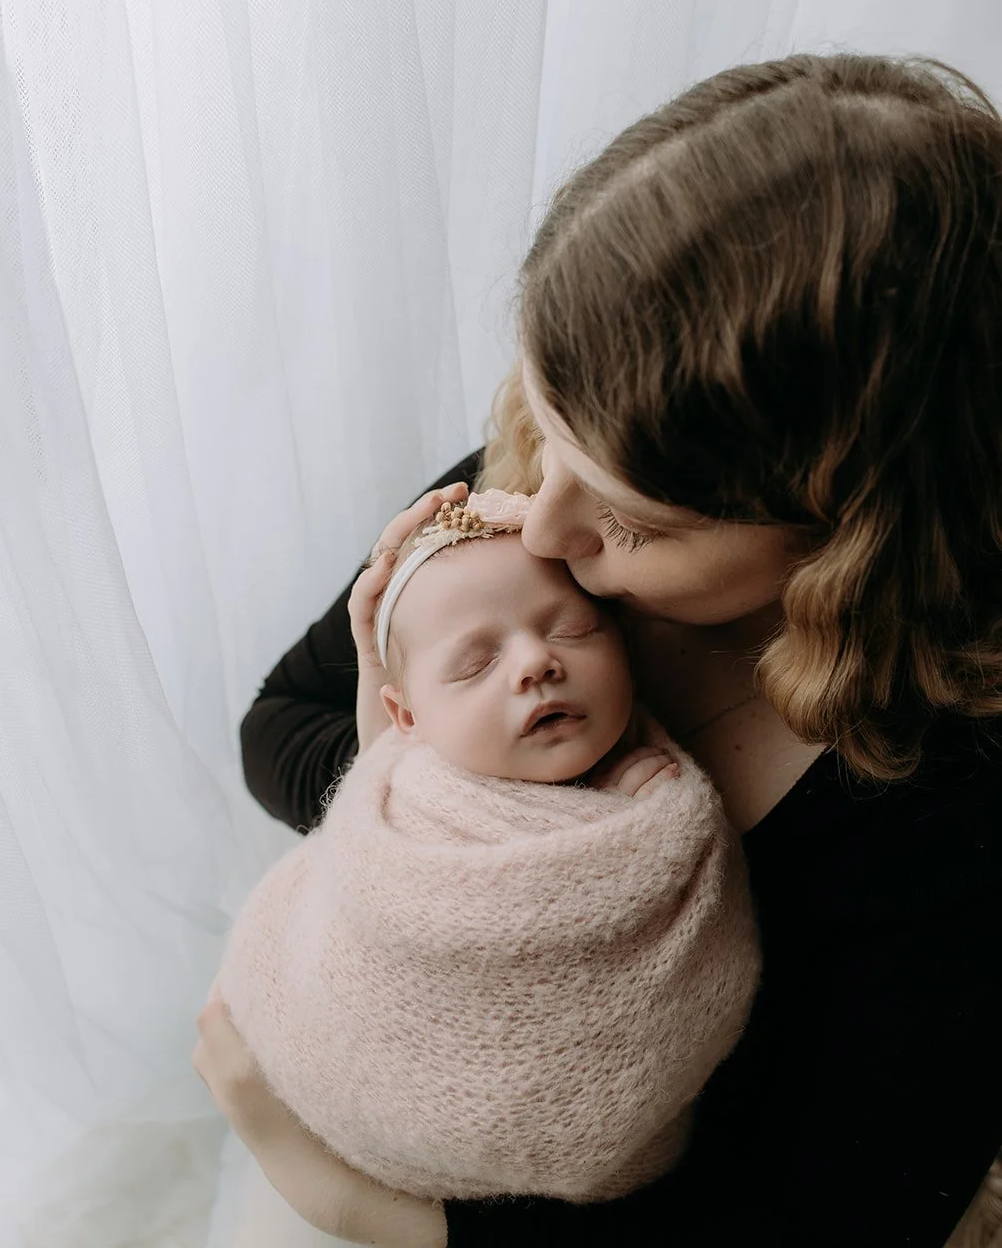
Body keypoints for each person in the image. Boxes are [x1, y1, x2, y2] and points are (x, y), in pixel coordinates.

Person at [195, 52, 1002, 1248]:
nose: (545, 525)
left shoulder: (948, 788)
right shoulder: (540, 484)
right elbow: (280, 724)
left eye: (630, 520)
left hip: (671, 1215)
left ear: (845, 530)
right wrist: (414, 774)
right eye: (549, 432)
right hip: (387, 1068)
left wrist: (387, 1216)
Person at [214, 490, 759, 1211]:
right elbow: (363, 807)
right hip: (346, 1059)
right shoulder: (410, 784)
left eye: (571, 630)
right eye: (474, 665)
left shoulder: (654, 802)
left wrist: (638, 826)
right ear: (409, 717)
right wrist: (372, 663)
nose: (535, 661)